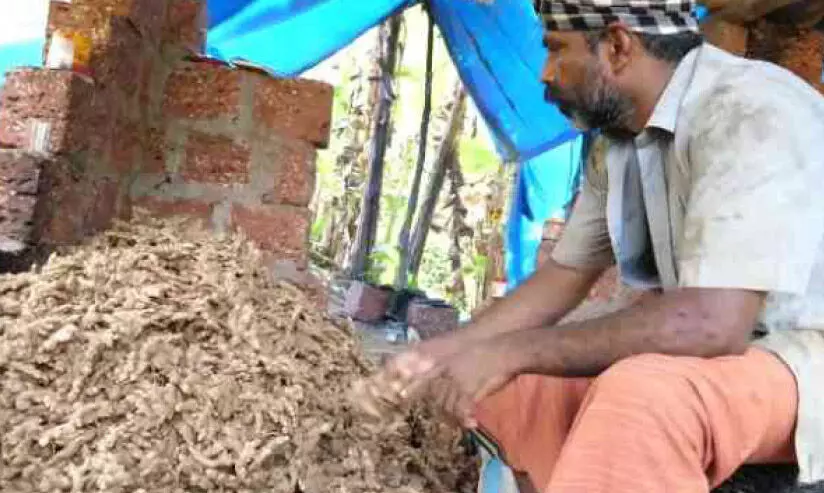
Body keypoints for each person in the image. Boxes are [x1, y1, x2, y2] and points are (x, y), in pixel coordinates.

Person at [360, 0, 824, 491]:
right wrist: (442, 356)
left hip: (805, 357)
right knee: (511, 389)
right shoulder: (620, 144)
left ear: (618, 46)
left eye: (556, 49)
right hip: (738, 362)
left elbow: (712, 325)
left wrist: (511, 351)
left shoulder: (750, 110)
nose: (544, 73)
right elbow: (563, 275)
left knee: (642, 397)